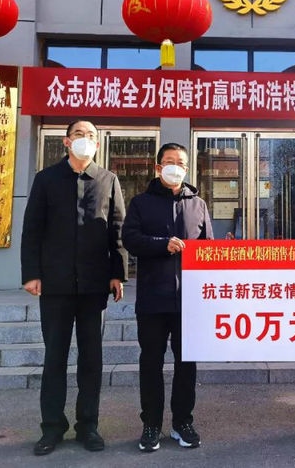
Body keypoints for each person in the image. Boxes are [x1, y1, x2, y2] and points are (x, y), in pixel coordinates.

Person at [20, 120, 127, 456]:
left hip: (95, 285)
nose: (85, 139)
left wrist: (118, 273)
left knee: (91, 359)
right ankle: (52, 427)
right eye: (79, 134)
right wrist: (31, 274)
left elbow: (117, 230)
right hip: (55, 284)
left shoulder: (108, 180)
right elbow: (32, 229)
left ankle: (88, 426)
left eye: (91, 136)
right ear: (66, 141)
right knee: (55, 357)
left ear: (98, 144)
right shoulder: (46, 179)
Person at [122, 142, 213, 453]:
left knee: (186, 363)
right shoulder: (141, 203)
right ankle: (151, 424)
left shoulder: (198, 204)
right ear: (158, 167)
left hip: (189, 301)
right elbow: (130, 239)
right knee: (151, 363)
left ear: (187, 169)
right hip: (152, 298)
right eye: (169, 161)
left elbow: (207, 249)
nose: (175, 167)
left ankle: (182, 422)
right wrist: (162, 244)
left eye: (181, 162)